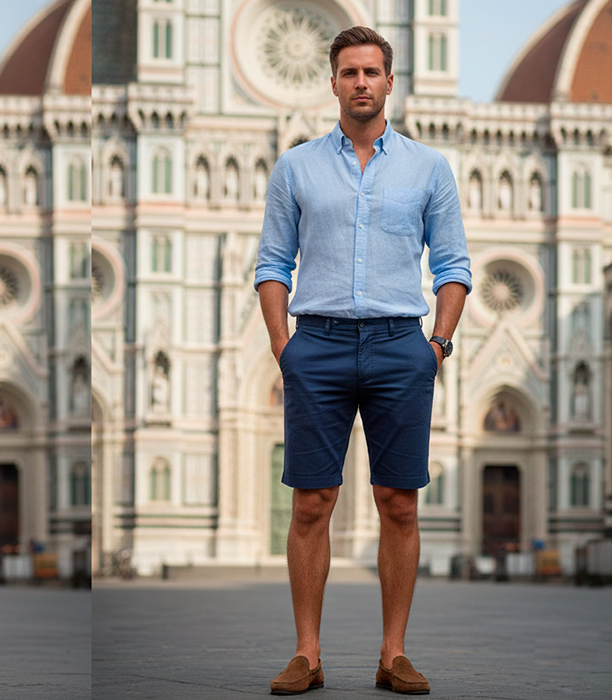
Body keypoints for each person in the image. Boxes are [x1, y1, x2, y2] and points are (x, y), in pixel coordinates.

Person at [255, 27, 471, 696]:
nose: (360, 82)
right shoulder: (295, 167)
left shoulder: (429, 167)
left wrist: (435, 345)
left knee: (397, 502)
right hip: (314, 344)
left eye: (371, 71)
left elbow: (455, 265)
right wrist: (283, 348)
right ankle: (307, 655)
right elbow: (271, 264)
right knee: (312, 502)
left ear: (389, 80)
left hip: (399, 345)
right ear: (332, 83)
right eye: (348, 72)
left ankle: (393, 654)